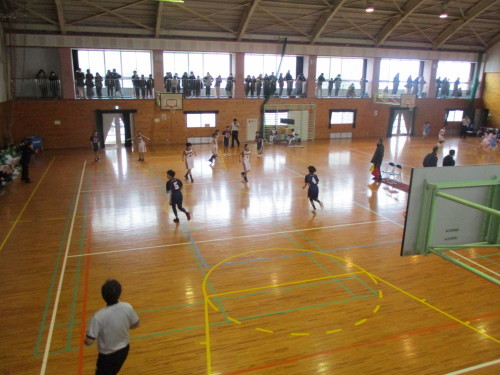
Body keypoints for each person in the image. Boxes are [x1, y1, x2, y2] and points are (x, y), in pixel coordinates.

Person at [84, 280, 140, 375]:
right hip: (124, 351)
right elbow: (136, 324)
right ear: (119, 293)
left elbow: (89, 341)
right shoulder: (127, 307)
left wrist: (85, 340)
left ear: (103, 295)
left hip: (107, 357)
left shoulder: (98, 316)